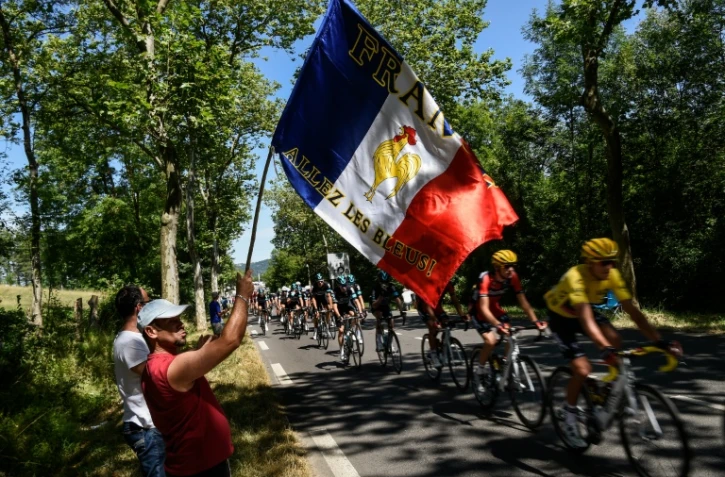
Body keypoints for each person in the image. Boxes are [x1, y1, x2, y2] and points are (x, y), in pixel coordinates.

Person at [545, 238, 682, 449]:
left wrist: (660, 341)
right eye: (604, 262)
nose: (609, 267)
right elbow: (586, 319)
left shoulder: (612, 275)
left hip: (584, 310)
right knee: (582, 369)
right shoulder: (576, 276)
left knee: (616, 338)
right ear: (590, 262)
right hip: (561, 318)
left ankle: (608, 388)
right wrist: (603, 349)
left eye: (612, 262)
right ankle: (569, 415)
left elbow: (634, 312)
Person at [139, 270, 254, 477]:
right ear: (151, 332)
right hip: (202, 468)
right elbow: (231, 340)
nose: (181, 323)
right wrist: (243, 295)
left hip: (195, 465)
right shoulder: (171, 368)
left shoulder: (154, 367)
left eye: (179, 318)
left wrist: (198, 353)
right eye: (171, 321)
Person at [471, 250, 545, 391]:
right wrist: (497, 325)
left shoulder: (513, 277)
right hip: (479, 311)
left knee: (510, 334)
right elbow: (484, 308)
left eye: (513, 266)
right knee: (491, 341)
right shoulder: (485, 278)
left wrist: (536, 321)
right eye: (507, 266)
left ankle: (505, 365)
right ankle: (479, 371)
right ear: (497, 267)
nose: (511, 269)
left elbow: (523, 302)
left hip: (495, 309)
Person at [113, 285, 166, 477]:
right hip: (146, 427)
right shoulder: (130, 342)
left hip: (149, 425)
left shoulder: (135, 339)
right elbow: (157, 377)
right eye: (148, 302)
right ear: (139, 307)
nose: (151, 306)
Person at [416, 280, 465, 368]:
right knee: (433, 327)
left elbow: (454, 300)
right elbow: (426, 305)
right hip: (424, 307)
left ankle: (442, 348)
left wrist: (462, 315)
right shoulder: (429, 283)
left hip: (437, 307)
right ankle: (433, 354)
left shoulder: (448, 283)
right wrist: (435, 320)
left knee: (447, 324)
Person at [371, 271, 406, 352]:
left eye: (386, 282)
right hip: (376, 307)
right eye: (382, 282)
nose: (384, 284)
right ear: (379, 281)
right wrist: (381, 296)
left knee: (391, 323)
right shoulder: (375, 288)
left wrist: (402, 311)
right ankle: (379, 343)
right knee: (379, 317)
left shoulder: (391, 286)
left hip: (385, 307)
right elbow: (374, 305)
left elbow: (397, 299)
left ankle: (389, 343)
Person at [331, 275, 357, 362]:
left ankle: (350, 330)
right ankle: (342, 350)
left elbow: (356, 300)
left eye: (345, 285)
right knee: (341, 331)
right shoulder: (334, 292)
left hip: (347, 306)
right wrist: (339, 316)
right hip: (339, 309)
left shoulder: (350, 288)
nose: (344, 287)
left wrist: (360, 311)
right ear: (338, 286)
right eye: (342, 286)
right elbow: (334, 307)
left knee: (354, 315)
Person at [310, 272, 333, 341]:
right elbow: (313, 299)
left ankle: (327, 326)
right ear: (316, 282)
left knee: (328, 309)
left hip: (323, 298)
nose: (320, 283)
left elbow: (329, 296)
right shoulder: (314, 287)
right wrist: (316, 309)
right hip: (317, 300)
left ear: (323, 280)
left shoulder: (327, 285)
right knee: (316, 315)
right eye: (318, 281)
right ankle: (315, 330)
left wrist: (331, 307)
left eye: (321, 281)